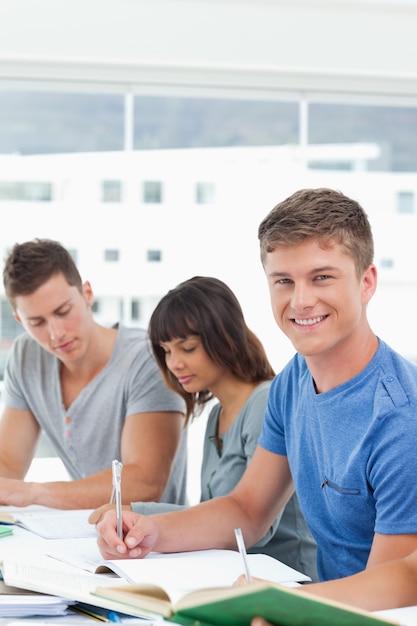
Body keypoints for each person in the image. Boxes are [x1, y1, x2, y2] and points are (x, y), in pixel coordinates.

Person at [94, 188, 417, 587]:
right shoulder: (293, 382)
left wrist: (279, 604)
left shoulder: (401, 417)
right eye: (283, 280)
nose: (300, 301)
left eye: (322, 278)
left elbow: (393, 590)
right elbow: (248, 510)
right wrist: (152, 532)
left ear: (367, 282)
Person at [90, 276, 318, 580]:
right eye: (167, 351)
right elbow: (213, 512)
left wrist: (139, 513)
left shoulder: (266, 401)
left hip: (288, 584)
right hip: (233, 576)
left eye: (187, 348)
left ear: (225, 337)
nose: (174, 364)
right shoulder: (216, 415)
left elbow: (254, 528)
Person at [0, 238, 187, 509]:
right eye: (37, 322)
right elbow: (7, 463)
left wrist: (34, 494)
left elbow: (145, 483)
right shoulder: (25, 357)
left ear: (87, 293)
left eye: (63, 312)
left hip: (157, 543)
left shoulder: (147, 359)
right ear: (19, 320)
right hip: (82, 535)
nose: (56, 333)